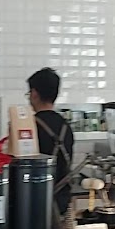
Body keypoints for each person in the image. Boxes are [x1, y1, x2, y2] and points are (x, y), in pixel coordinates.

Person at [27, 66, 74, 215]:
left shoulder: (29, 126)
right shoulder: (66, 126)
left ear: (34, 93)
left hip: (35, 201)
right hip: (62, 202)